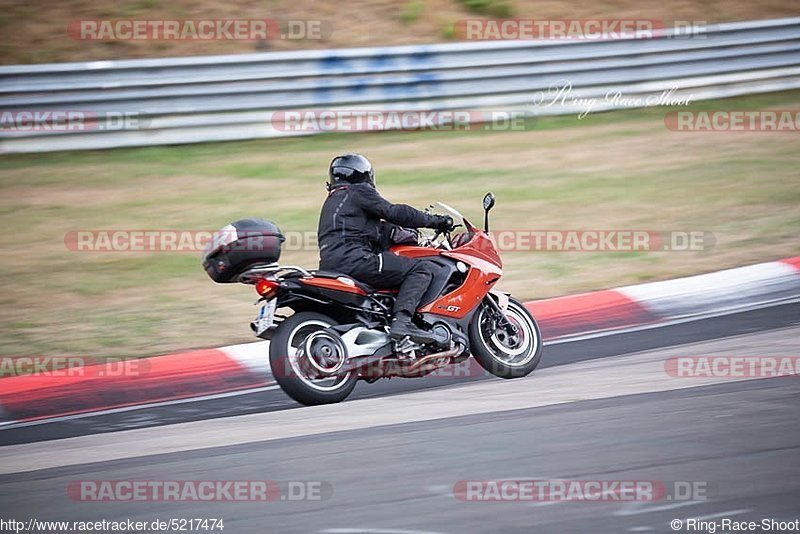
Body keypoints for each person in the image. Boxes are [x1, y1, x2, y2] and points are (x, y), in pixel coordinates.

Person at [317, 153, 453, 343]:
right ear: (364, 175)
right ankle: (402, 322)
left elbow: (375, 231)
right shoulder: (357, 191)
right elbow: (394, 212)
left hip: (329, 266)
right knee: (420, 269)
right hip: (356, 260)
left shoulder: (333, 202)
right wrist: (435, 221)